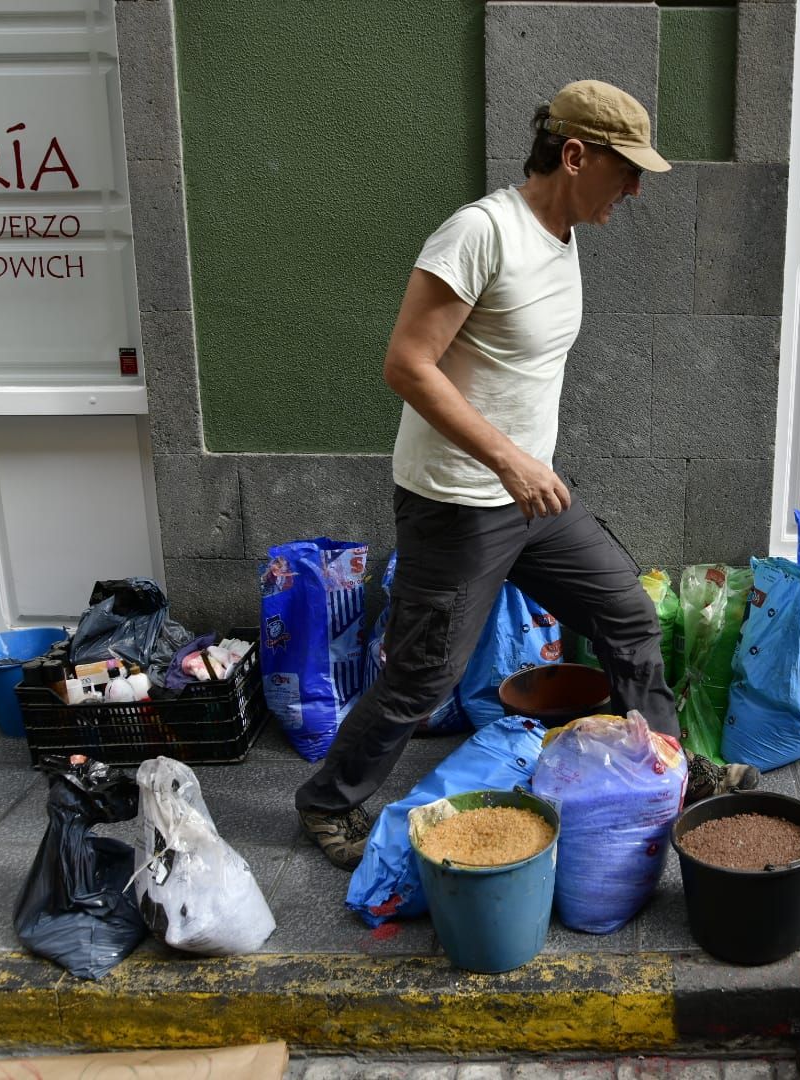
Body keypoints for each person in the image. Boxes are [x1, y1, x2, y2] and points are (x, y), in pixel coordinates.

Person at [294, 79, 759, 872]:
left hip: (532, 500)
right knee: (420, 678)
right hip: (459, 504)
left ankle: (668, 771)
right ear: (575, 155)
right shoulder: (481, 233)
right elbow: (407, 364)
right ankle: (327, 802)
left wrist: (524, 467)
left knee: (627, 616)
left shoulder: (564, 234)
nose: (636, 189)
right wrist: (508, 459)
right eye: (626, 169)